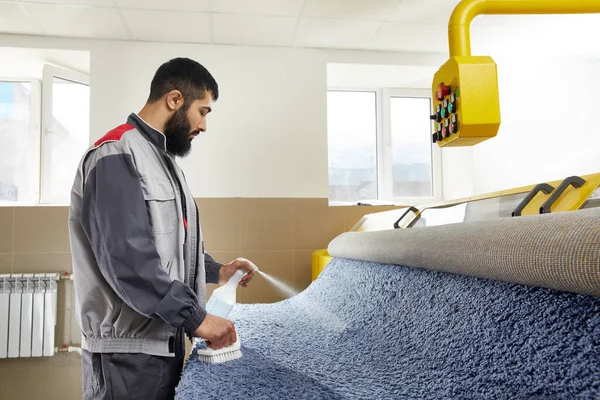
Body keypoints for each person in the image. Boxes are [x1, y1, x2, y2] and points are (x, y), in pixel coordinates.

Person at [68, 57, 256, 400]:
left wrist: (217, 269)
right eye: (203, 111)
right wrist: (197, 317)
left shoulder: (164, 162)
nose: (203, 125)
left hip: (161, 346)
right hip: (125, 357)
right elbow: (128, 259)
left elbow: (171, 246)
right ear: (174, 100)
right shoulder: (115, 154)